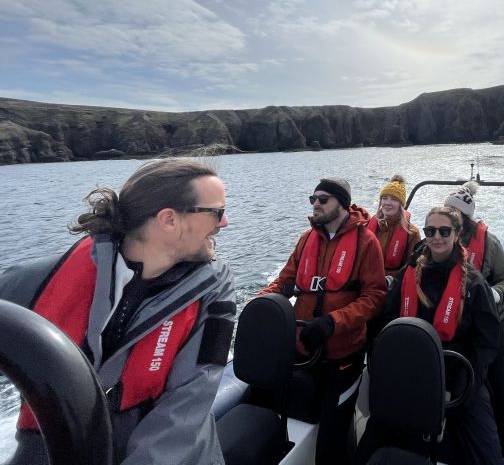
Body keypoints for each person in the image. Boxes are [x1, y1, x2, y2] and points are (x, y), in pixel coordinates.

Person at [0, 158, 236, 465]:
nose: (225, 222)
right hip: (53, 447)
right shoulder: (38, 280)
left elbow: (189, 399)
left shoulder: (213, 291)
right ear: (168, 220)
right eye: (216, 212)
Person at [359, 206, 503, 465]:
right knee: (369, 443)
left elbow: (487, 340)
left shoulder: (474, 283)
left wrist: (467, 382)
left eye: (444, 231)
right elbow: (388, 320)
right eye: (430, 231)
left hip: (458, 374)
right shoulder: (409, 273)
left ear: (457, 234)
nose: (436, 237)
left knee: (485, 452)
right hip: (409, 371)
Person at [259, 177, 385, 465]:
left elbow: (375, 295)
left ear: (341, 203)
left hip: (343, 355)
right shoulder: (306, 239)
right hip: (302, 347)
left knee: (334, 435)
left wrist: (334, 322)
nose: (316, 204)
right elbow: (284, 281)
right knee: (273, 406)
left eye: (323, 199)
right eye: (313, 199)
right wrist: (260, 304)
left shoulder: (367, 242)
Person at [444, 180, 504, 460]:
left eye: (455, 213)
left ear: (466, 216)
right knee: (457, 386)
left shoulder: (488, 242)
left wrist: (493, 294)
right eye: (447, 210)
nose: (450, 216)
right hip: (455, 328)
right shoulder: (439, 239)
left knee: (500, 389)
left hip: (490, 323)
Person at [366, 174, 421, 288]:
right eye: (385, 198)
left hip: (392, 285)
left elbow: (411, 268)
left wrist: (389, 279)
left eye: (394, 199)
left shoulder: (412, 233)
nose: (387, 203)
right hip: (365, 281)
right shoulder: (369, 225)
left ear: (401, 205)